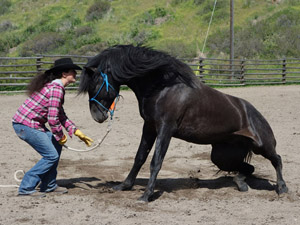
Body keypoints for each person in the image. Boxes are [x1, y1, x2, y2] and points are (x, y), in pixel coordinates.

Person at [12, 58, 93, 198]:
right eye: (72, 71)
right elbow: (53, 118)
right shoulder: (56, 89)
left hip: (29, 124)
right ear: (64, 74)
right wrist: (60, 135)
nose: (75, 73)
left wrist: (75, 131)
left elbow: (60, 115)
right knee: (51, 155)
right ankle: (26, 187)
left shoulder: (55, 87)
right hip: (25, 125)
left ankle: (48, 185)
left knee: (55, 146)